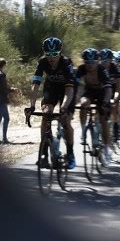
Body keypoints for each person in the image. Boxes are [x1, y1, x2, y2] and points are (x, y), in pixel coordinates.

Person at [27, 37, 76, 169]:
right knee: (46, 114)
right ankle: (44, 153)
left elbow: (70, 89)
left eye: (55, 54)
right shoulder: (42, 62)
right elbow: (35, 85)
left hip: (67, 89)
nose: (51, 57)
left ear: (60, 53)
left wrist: (64, 107)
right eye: (48, 54)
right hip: (51, 88)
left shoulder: (66, 63)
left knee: (65, 120)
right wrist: (31, 105)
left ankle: (70, 154)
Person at [75, 48, 113, 166]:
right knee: (83, 104)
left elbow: (108, 88)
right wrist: (73, 101)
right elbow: (76, 87)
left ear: (98, 62)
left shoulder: (102, 70)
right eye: (87, 62)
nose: (90, 65)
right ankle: (83, 130)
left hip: (102, 93)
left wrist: (106, 102)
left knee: (103, 120)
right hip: (89, 92)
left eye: (93, 62)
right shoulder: (80, 69)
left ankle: (106, 149)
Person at [0, 58, 17, 145]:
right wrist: (12, 90)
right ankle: (4, 139)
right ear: (4, 65)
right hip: (1, 99)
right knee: (6, 118)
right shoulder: (1, 75)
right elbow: (4, 89)